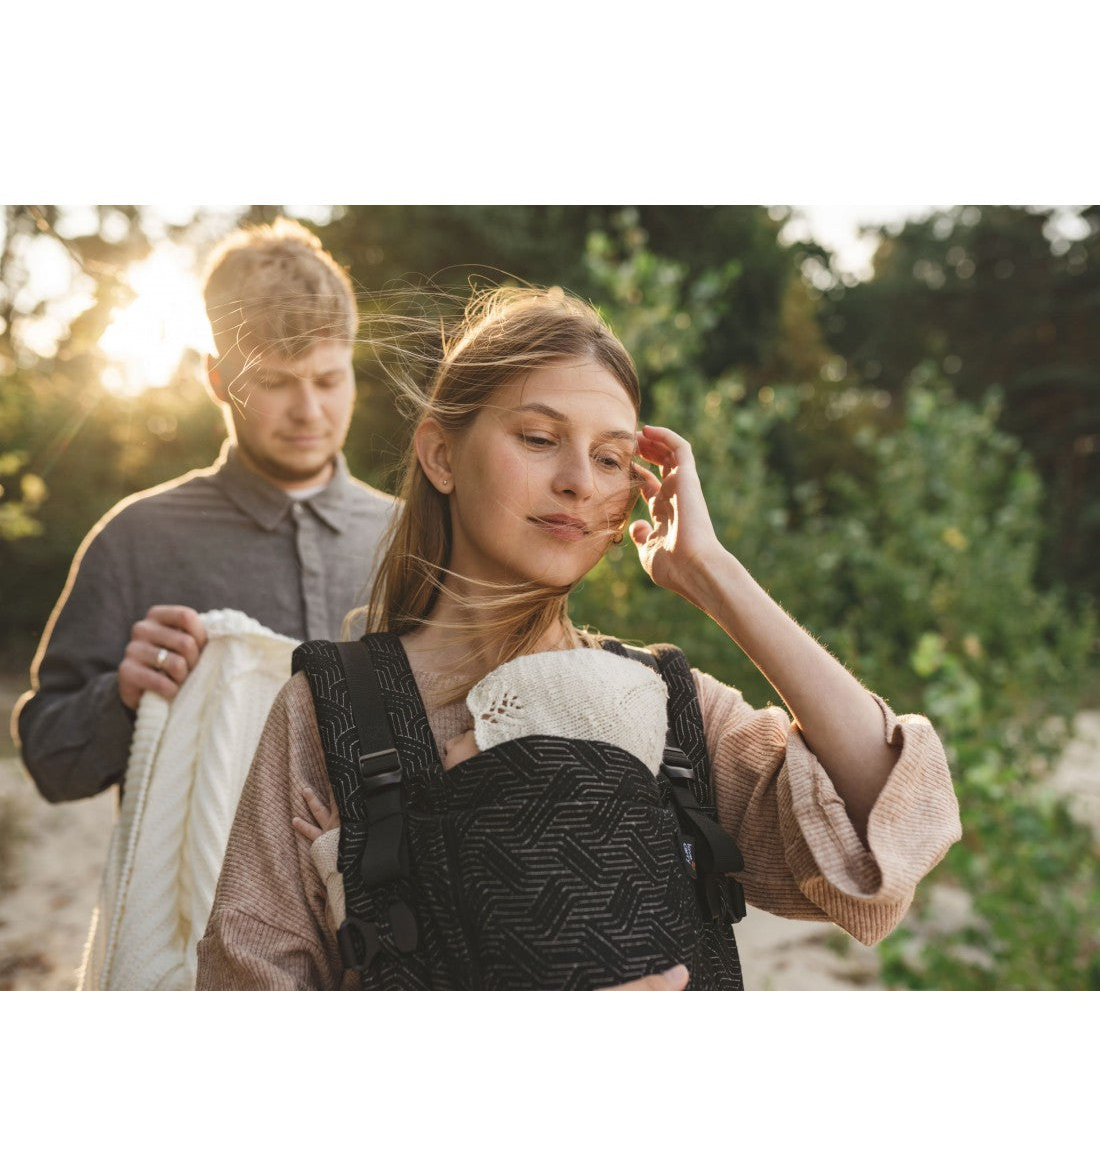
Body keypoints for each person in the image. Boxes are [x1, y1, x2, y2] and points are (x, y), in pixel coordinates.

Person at [196, 284, 962, 991]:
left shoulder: (665, 705)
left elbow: (886, 825)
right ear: (439, 455)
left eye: (611, 458)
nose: (580, 482)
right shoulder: (329, 711)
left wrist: (712, 572)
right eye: (538, 438)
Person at [13, 218, 398, 804]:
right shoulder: (134, 539)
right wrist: (122, 694)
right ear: (217, 379)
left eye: (328, 378)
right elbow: (49, 763)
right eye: (273, 381)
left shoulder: (412, 534)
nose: (308, 410)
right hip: (201, 895)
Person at [291, 645, 672, 941]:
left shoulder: (484, 859)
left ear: (523, 765)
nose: (449, 742)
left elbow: (395, 945)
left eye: (475, 732)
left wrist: (335, 855)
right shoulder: (630, 880)